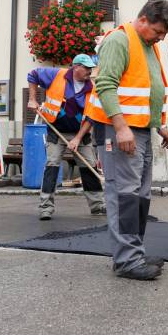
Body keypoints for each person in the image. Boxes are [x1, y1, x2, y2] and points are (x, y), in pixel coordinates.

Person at [93, 0, 168, 281]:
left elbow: (146, 93)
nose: (160, 38)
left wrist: (160, 126)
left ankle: (134, 253)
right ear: (143, 19)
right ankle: (127, 261)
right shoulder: (119, 40)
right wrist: (120, 128)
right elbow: (105, 85)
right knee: (125, 197)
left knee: (139, 197)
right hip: (121, 131)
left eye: (164, 34)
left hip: (140, 130)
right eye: (158, 31)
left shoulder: (148, 46)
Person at [27, 54, 105, 220]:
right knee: (52, 166)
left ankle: (97, 206)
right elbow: (32, 75)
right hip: (56, 130)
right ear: (76, 67)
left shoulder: (92, 88)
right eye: (87, 68)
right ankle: (45, 208)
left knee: (89, 167)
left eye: (92, 68)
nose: (90, 72)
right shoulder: (57, 75)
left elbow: (91, 117)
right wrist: (32, 99)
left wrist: (77, 139)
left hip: (81, 133)